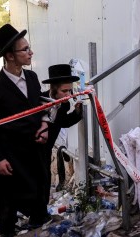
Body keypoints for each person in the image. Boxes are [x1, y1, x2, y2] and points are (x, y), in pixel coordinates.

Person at [0, 24, 50, 237]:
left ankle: (38, 227)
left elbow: (40, 107)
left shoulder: (32, 78)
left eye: (29, 48)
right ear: (10, 56)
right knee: (8, 203)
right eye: (25, 50)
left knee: (39, 195)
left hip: (34, 151)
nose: (31, 53)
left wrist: (44, 124)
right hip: (10, 156)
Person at [41, 64, 82, 205]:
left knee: (44, 181)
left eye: (70, 91)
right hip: (31, 149)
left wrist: (77, 111)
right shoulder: (39, 101)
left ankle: (41, 213)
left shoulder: (64, 104)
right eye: (64, 91)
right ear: (53, 89)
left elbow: (63, 122)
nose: (68, 95)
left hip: (46, 150)